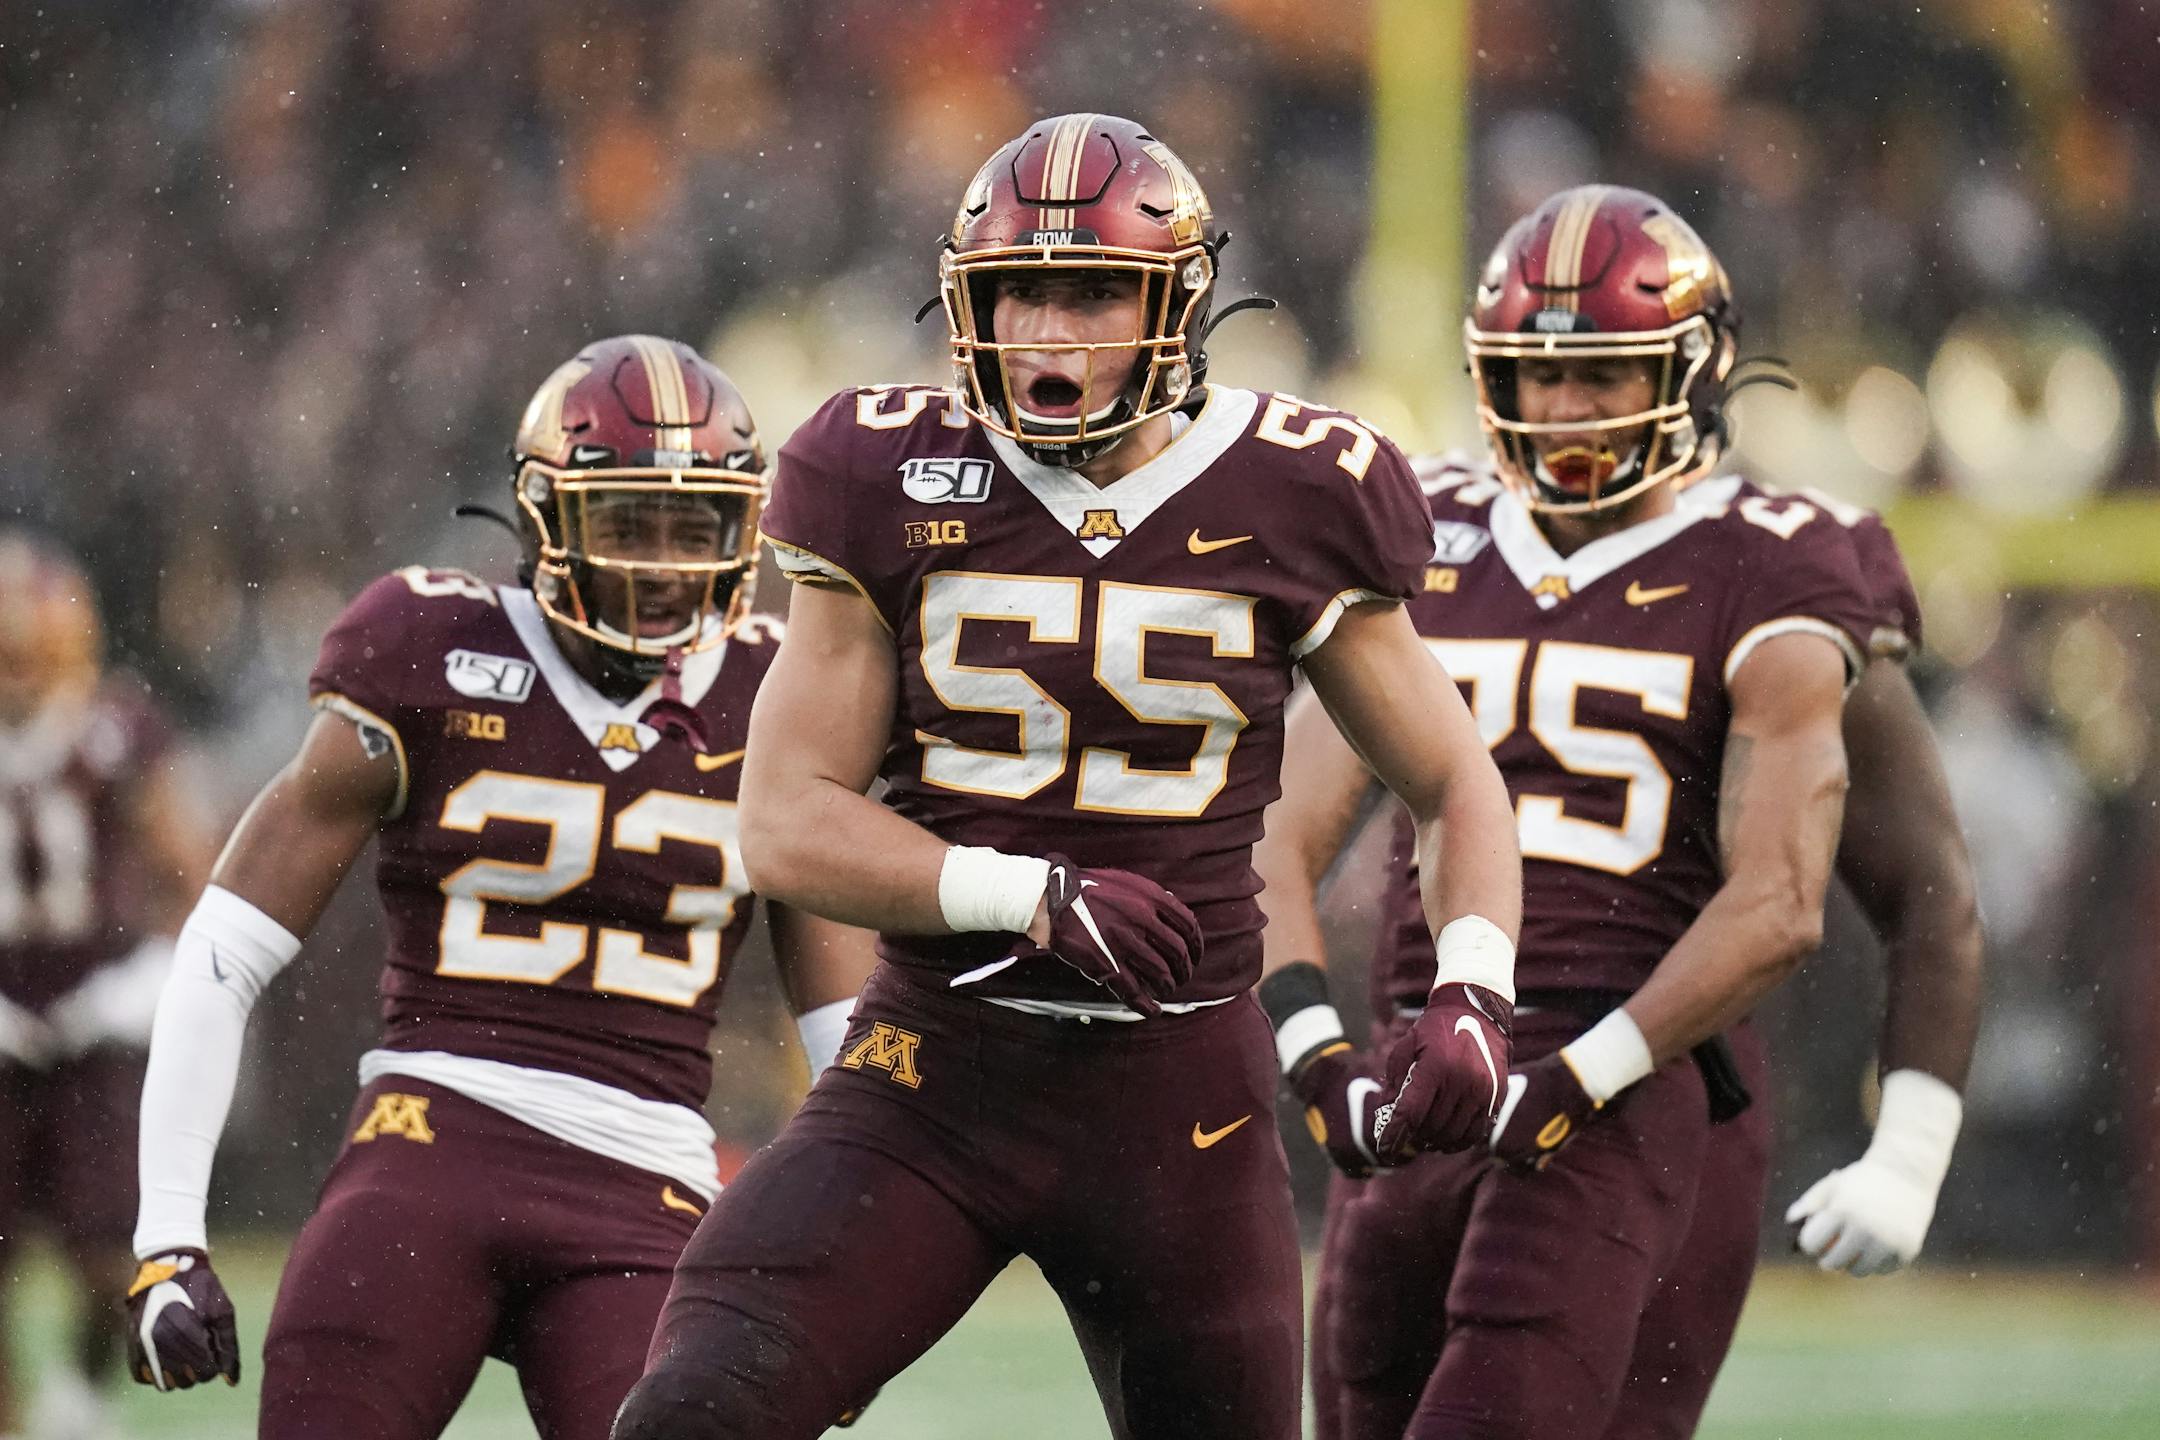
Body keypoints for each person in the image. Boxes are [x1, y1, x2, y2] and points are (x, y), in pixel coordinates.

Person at [610, 113, 1523, 1440]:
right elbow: (786, 821)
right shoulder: (877, 470)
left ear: (1180, 301)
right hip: (936, 1073)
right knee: (694, 1413)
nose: (1049, 329)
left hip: (1184, 1108)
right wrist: (1022, 894)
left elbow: (1452, 781)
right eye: (1019, 291)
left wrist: (1477, 986)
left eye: (1092, 292)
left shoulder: (1300, 488)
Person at [1252, 184, 1930, 1440]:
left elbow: (1793, 903)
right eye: (1540, 376)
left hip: (1646, 1071)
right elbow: (1274, 838)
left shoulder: (1778, 562)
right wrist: (1320, 1058)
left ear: (1691, 373)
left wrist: (1581, 1075)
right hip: (1433, 1058)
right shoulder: (1428, 531)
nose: (1565, 412)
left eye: (1605, 377)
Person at [124, 335, 876, 1440]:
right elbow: (225, 949)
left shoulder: (773, 695)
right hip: (429, 1146)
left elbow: (846, 1039)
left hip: (649, 1186)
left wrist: (848, 1288)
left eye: (693, 524)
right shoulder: (425, 646)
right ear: (545, 520)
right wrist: (168, 1240)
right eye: (627, 521)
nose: (664, 563)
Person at [0, 532, 215, 1440]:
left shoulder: (118, 729)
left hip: (97, 1004)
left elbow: (188, 871)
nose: (20, 678)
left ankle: (80, 1399)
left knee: (106, 1239)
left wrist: (144, 976)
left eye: (31, 656)